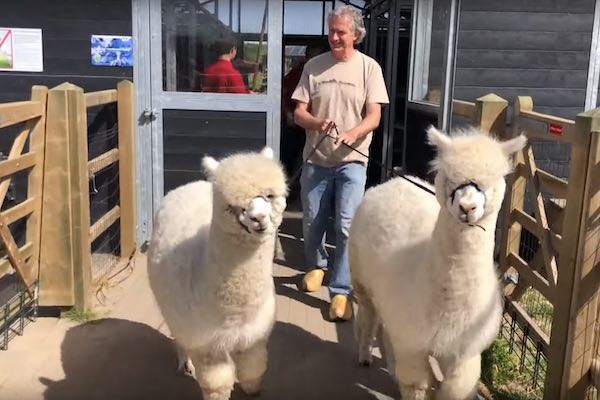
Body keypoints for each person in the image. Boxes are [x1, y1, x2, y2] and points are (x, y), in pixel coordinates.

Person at [291, 5, 389, 321]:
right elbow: (298, 113)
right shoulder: (314, 66)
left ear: (355, 35)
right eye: (331, 30)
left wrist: (353, 132)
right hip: (316, 159)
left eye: (340, 32)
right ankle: (317, 266)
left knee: (346, 225)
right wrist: (317, 123)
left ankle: (341, 291)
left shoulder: (369, 68)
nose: (333, 36)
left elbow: (374, 116)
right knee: (313, 221)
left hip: (352, 161)